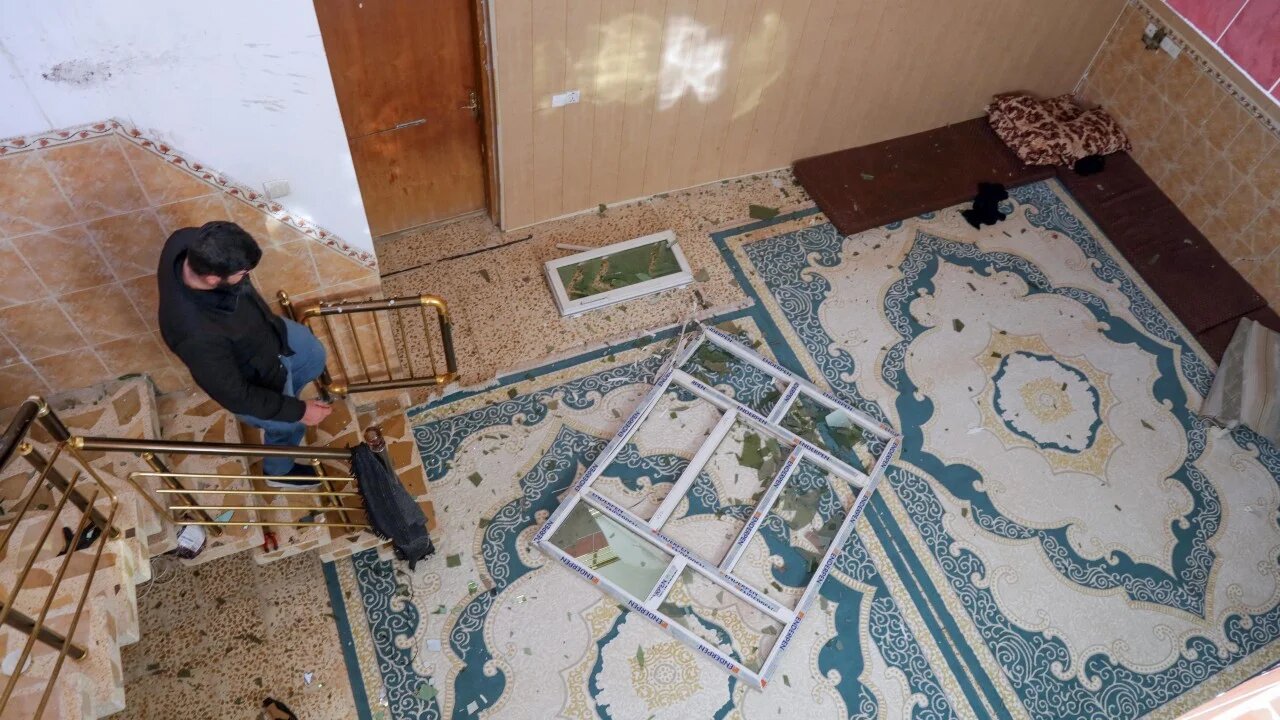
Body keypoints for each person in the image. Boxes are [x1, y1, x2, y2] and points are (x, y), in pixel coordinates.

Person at [157, 221, 333, 487]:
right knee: (288, 426)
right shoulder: (195, 335)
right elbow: (236, 395)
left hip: (267, 333)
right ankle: (279, 471)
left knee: (312, 355)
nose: (247, 277)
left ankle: (285, 396)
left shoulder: (186, 241)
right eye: (243, 273)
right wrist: (297, 411)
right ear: (213, 279)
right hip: (253, 376)